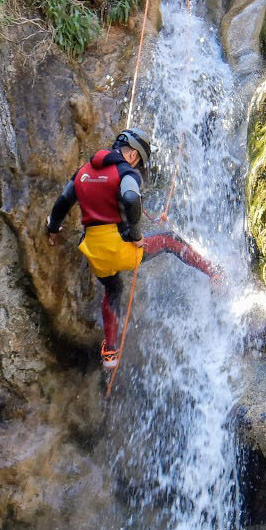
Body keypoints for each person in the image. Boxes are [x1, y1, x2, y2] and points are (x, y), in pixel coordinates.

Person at [46, 129, 217, 370]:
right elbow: (130, 198)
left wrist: (52, 228)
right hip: (121, 249)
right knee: (169, 240)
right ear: (134, 155)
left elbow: (63, 202)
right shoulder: (127, 173)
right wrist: (137, 236)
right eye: (140, 161)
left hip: (95, 254)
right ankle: (214, 272)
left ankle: (110, 351)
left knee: (113, 289)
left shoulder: (83, 172)